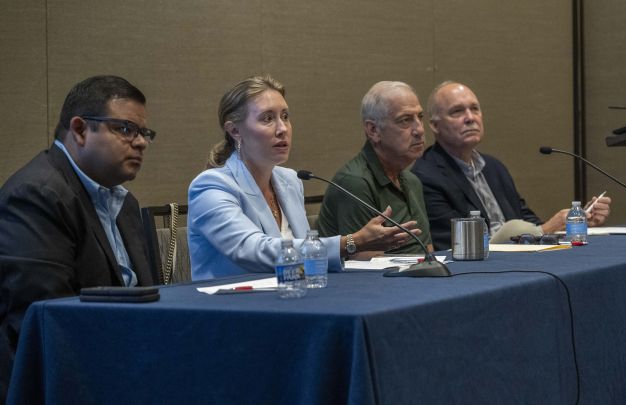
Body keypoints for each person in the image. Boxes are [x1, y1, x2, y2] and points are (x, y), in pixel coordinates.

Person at [0, 75, 160, 401]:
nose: (141, 142)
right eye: (126, 129)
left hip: (127, 366)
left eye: (144, 133)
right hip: (65, 381)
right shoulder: (37, 195)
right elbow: (47, 320)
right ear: (80, 129)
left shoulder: (124, 204)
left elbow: (149, 299)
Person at [188, 76, 419, 280]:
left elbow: (305, 260)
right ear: (235, 131)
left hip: (292, 299)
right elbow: (252, 250)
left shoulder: (290, 181)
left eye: (285, 116)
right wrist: (351, 242)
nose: (282, 129)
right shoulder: (212, 187)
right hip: (230, 311)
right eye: (267, 119)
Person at [412, 81, 611, 251]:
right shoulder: (426, 176)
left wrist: (575, 223)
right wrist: (546, 229)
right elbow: (457, 244)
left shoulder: (493, 167)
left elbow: (529, 223)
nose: (470, 117)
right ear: (435, 125)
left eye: (474, 109)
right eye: (457, 111)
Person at [317, 81, 434, 258]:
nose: (419, 129)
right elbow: (365, 263)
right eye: (405, 120)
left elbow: (427, 251)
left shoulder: (412, 181)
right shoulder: (354, 182)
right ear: (373, 130)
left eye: (420, 117)